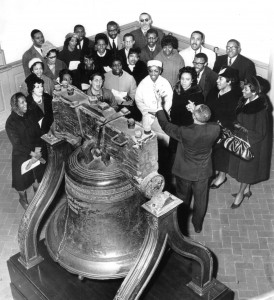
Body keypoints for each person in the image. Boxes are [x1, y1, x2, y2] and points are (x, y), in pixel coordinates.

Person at [156, 101, 220, 233]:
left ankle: (181, 224)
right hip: (203, 172)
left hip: (185, 172)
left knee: (182, 198)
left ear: (195, 117)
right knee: (201, 200)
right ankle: (197, 225)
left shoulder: (185, 132)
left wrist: (159, 108)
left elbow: (166, 126)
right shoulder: (216, 129)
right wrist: (194, 112)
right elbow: (204, 123)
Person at [228, 76, 272, 208]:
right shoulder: (245, 101)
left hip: (253, 144)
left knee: (247, 171)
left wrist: (241, 129)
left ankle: (241, 194)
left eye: (245, 88)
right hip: (243, 138)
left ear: (254, 91)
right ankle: (246, 190)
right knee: (243, 169)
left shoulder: (260, 110)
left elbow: (260, 133)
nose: (242, 90)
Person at [5, 92, 47, 209]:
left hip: (35, 150)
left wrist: (38, 151)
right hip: (22, 155)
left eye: (26, 101)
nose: (26, 104)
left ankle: (37, 198)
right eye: (22, 102)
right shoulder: (10, 122)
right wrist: (34, 154)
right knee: (22, 184)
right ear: (15, 105)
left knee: (36, 178)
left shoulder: (29, 114)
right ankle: (22, 200)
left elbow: (38, 133)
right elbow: (17, 145)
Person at [206, 67, 240, 189]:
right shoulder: (214, 91)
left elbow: (236, 118)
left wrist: (223, 124)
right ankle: (211, 172)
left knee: (222, 154)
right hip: (210, 127)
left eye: (221, 78)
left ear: (229, 81)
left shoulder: (236, 97)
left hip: (225, 130)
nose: (217, 81)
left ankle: (222, 176)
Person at [135, 60, 173, 146]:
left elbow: (169, 100)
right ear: (148, 71)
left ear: (160, 71)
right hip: (147, 115)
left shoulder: (165, 83)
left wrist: (160, 113)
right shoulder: (143, 83)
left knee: (162, 141)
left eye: (156, 71)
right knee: (147, 140)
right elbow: (138, 100)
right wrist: (146, 111)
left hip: (162, 116)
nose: (153, 73)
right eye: (150, 71)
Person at [169, 66, 204, 152]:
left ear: (192, 80)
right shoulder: (176, 90)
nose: (184, 82)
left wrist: (195, 109)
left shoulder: (198, 94)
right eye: (182, 78)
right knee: (172, 152)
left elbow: (202, 116)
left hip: (188, 128)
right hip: (175, 126)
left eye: (187, 79)